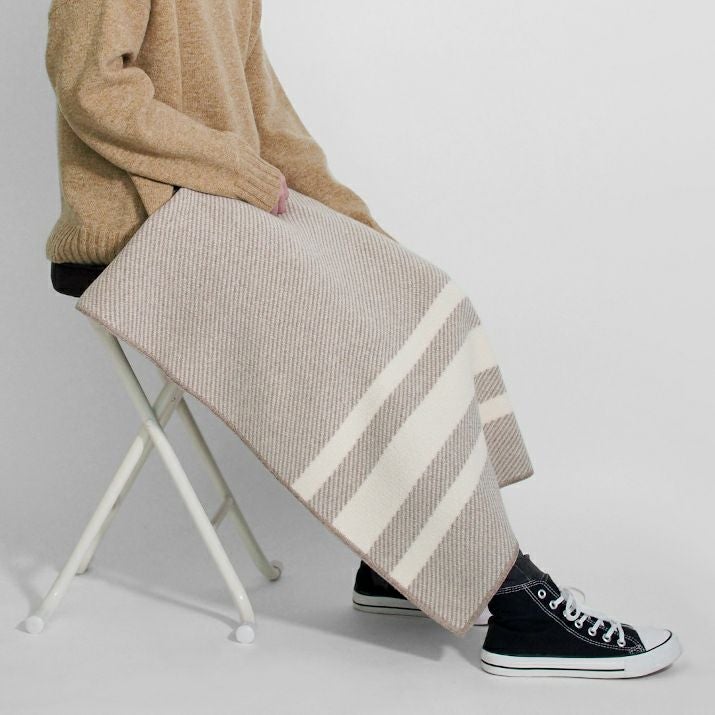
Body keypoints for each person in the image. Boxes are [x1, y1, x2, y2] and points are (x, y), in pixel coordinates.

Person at [44, 0, 681, 678]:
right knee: (349, 340)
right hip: (140, 220)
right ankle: (512, 599)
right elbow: (90, 84)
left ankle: (403, 562)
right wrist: (237, 169)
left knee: (425, 294)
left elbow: (267, 117)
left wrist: (361, 235)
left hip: (218, 199)